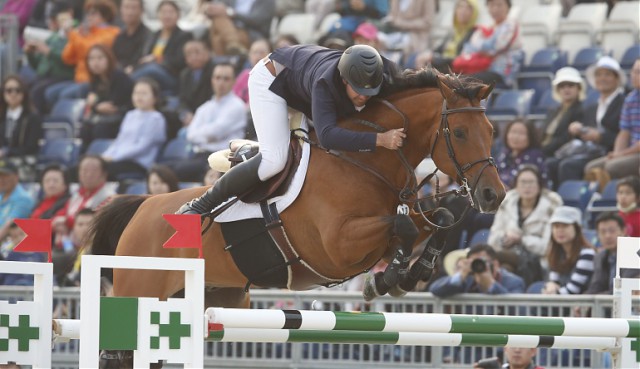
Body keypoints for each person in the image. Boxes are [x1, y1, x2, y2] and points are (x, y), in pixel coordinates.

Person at [177, 44, 406, 215]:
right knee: (274, 160)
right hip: (271, 82)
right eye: (357, 90)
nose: (363, 96)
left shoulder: (379, 70)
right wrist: (380, 140)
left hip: (297, 80)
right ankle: (201, 205)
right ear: (345, 79)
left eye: (369, 91)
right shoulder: (324, 83)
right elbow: (327, 137)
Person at [546, 56, 626, 188]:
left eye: (607, 74)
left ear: (617, 79)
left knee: (568, 166)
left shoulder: (623, 103)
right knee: (551, 163)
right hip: (590, 150)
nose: (602, 78)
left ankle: (573, 201)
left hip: (609, 151)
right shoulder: (592, 107)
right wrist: (578, 130)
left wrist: (600, 137)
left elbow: (625, 134)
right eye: (599, 75)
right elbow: (587, 133)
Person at [171, 62, 246, 182]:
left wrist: (204, 134)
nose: (221, 82)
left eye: (226, 79)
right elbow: (190, 135)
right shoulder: (204, 107)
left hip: (223, 157)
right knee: (166, 170)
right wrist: (209, 136)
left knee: (175, 172)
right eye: (217, 78)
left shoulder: (237, 106)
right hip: (200, 156)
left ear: (233, 81)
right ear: (212, 80)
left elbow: (216, 132)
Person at [488, 165, 562, 286]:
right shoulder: (507, 204)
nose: (527, 186)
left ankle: (482, 260)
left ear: (539, 185)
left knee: (491, 258)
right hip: (508, 257)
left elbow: (547, 248)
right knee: (506, 270)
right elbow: (493, 240)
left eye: (531, 182)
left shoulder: (551, 207)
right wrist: (505, 238)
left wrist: (521, 239)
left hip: (536, 260)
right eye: (523, 182)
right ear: (516, 185)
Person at [45, 0, 120, 108]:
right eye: (88, 13)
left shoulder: (112, 32)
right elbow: (67, 58)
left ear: (105, 15)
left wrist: (73, 34)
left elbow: (92, 49)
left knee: (64, 95)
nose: (89, 17)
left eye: (93, 13)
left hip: (93, 81)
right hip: (78, 79)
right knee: (50, 93)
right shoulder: (85, 33)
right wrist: (73, 35)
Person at [101, 78, 166, 181]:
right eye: (136, 93)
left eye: (144, 93)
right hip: (120, 159)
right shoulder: (130, 115)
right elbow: (119, 141)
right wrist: (105, 156)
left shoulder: (156, 118)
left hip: (138, 163)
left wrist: (115, 158)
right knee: (95, 166)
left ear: (155, 98)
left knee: (103, 170)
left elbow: (142, 147)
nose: (139, 97)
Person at [585, 58, 640, 179]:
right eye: (633, 72)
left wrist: (621, 154)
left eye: (638, 72)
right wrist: (616, 153)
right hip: (630, 151)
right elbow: (624, 132)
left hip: (635, 152)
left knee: (612, 166)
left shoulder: (623, 99)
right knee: (591, 168)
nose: (634, 76)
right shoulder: (630, 98)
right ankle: (597, 197)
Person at [79, 44, 134, 152]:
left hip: (123, 117)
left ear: (109, 59)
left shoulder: (120, 77)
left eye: (100, 58)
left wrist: (95, 105)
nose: (95, 63)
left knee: (101, 128)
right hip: (105, 118)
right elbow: (96, 105)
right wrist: (96, 106)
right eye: (91, 59)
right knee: (85, 128)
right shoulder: (95, 80)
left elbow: (112, 106)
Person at [23, 1, 76, 114]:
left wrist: (48, 51)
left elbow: (69, 60)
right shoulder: (53, 37)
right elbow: (37, 66)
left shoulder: (75, 34)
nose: (52, 21)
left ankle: (36, 124)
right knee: (19, 87)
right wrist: (30, 53)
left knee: (37, 91)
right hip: (43, 77)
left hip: (62, 76)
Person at [530, 206, 595, 295]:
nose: (559, 231)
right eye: (556, 226)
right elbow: (554, 282)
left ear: (577, 228)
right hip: (560, 303)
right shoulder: (556, 254)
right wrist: (550, 287)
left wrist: (550, 293)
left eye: (565, 226)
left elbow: (572, 290)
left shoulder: (587, 254)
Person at [130, 0, 192, 93]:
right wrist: (133, 67)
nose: (167, 16)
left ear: (178, 15)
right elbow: (141, 56)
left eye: (171, 12)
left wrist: (156, 59)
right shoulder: (153, 35)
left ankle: (127, 83)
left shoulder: (184, 36)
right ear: (158, 15)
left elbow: (180, 61)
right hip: (148, 71)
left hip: (170, 74)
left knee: (152, 69)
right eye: (163, 12)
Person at [458, 0, 522, 87]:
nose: (495, 9)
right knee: (453, 78)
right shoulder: (490, 26)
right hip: (484, 68)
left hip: (502, 72)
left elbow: (496, 47)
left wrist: (480, 46)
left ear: (508, 7)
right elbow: (469, 48)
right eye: (491, 5)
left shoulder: (510, 25)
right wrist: (483, 47)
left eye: (499, 5)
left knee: (465, 81)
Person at [54, 155, 114, 245]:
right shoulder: (77, 195)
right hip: (68, 245)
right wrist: (57, 223)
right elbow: (62, 213)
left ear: (104, 174)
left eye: (93, 171)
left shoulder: (109, 197)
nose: (88, 174)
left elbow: (95, 225)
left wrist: (66, 222)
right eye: (84, 170)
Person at [429, 244, 525, 297]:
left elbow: (516, 308)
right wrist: (461, 275)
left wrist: (491, 285)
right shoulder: (468, 280)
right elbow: (435, 289)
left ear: (495, 264)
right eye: (474, 262)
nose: (479, 265)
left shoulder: (514, 282)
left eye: (482, 261)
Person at [414, 0, 479, 72]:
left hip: (453, 71)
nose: (463, 10)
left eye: (468, 8)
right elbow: (438, 50)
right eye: (460, 6)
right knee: (415, 57)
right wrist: (428, 55)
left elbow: (461, 60)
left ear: (474, 13)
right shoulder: (453, 31)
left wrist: (434, 58)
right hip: (440, 65)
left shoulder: (475, 33)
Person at [585, 212, 639, 294]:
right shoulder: (599, 257)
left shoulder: (634, 252)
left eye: (612, 231)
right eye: (603, 232)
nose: (607, 236)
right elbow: (596, 285)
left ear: (624, 231)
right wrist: (585, 301)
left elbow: (625, 289)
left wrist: (596, 299)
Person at [540, 67, 586, 159]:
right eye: (562, 86)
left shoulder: (581, 110)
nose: (566, 89)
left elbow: (566, 138)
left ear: (579, 88)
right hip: (544, 150)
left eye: (570, 85)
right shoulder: (553, 110)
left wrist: (542, 150)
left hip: (558, 154)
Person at [201, 0, 276, 56]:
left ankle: (223, 61)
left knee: (218, 38)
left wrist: (231, 13)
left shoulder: (268, 1)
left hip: (250, 33)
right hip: (229, 28)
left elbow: (258, 20)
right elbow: (218, 4)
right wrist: (210, 8)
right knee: (218, 19)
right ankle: (233, 44)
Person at [0, 75, 42, 165]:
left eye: (17, 90)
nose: (13, 94)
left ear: (23, 93)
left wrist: (7, 152)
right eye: (9, 90)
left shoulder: (32, 118)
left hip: (23, 164)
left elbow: (31, 147)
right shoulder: (2, 117)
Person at [495, 120, 547, 189]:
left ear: (530, 137)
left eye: (521, 133)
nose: (516, 137)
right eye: (513, 132)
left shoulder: (534, 157)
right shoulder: (503, 154)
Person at [178, 39, 214, 126]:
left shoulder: (215, 71)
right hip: (190, 119)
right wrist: (185, 114)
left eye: (197, 52)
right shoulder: (185, 74)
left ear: (207, 53)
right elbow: (182, 100)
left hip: (209, 118)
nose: (194, 57)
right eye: (189, 54)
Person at [112, 0, 151, 75]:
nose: (129, 12)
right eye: (126, 7)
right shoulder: (119, 36)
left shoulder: (148, 36)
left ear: (142, 11)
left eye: (134, 8)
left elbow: (143, 59)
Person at [0, 161, 35, 242]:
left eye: (5, 176)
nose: (1, 179)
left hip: (8, 244)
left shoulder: (23, 199)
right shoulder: (2, 194)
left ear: (16, 177)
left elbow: (7, 227)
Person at [233, 39, 271, 105]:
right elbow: (233, 97)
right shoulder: (244, 75)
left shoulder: (272, 76)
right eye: (254, 52)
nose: (258, 56)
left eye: (262, 52)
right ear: (249, 56)